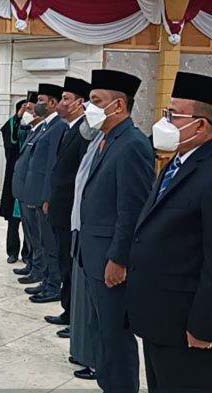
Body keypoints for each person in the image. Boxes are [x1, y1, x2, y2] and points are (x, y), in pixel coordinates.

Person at [127, 71, 212, 393]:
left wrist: (204, 326)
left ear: (201, 125)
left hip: (187, 325)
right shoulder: (177, 162)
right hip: (160, 318)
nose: (165, 123)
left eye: (173, 115)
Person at [79, 69, 154, 393]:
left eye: (96, 101)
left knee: (116, 337)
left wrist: (119, 259)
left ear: (118, 105)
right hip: (93, 255)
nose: (88, 108)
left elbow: (132, 211)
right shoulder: (106, 139)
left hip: (111, 261)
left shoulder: (132, 145)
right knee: (103, 336)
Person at [43, 77, 91, 329]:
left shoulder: (84, 131)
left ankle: (73, 315)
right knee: (63, 261)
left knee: (70, 265)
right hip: (60, 207)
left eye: (66, 98)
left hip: (71, 210)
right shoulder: (71, 129)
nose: (61, 103)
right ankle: (67, 310)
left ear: (78, 103)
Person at [23, 83, 67, 304]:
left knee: (50, 244)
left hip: (44, 197)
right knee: (41, 240)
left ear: (52, 103)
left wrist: (47, 197)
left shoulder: (58, 126)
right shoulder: (43, 126)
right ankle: (46, 280)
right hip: (36, 195)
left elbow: (52, 166)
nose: (36, 104)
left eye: (41, 100)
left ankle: (53, 286)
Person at [69, 120, 103, 381]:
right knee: (83, 302)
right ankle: (84, 352)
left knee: (99, 311)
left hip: (101, 241)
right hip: (82, 229)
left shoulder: (127, 145)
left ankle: (98, 363)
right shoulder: (97, 141)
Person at [12, 91, 44, 281]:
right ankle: (32, 264)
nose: (28, 112)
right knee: (29, 233)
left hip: (35, 193)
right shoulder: (31, 130)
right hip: (24, 191)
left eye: (31, 109)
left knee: (39, 237)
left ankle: (39, 271)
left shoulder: (49, 130)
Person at [0, 99, 30, 264]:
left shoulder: (36, 127)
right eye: (23, 108)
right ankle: (12, 252)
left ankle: (27, 253)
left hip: (30, 178)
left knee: (30, 221)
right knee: (13, 220)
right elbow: (9, 139)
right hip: (14, 176)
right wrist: (18, 118)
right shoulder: (15, 125)